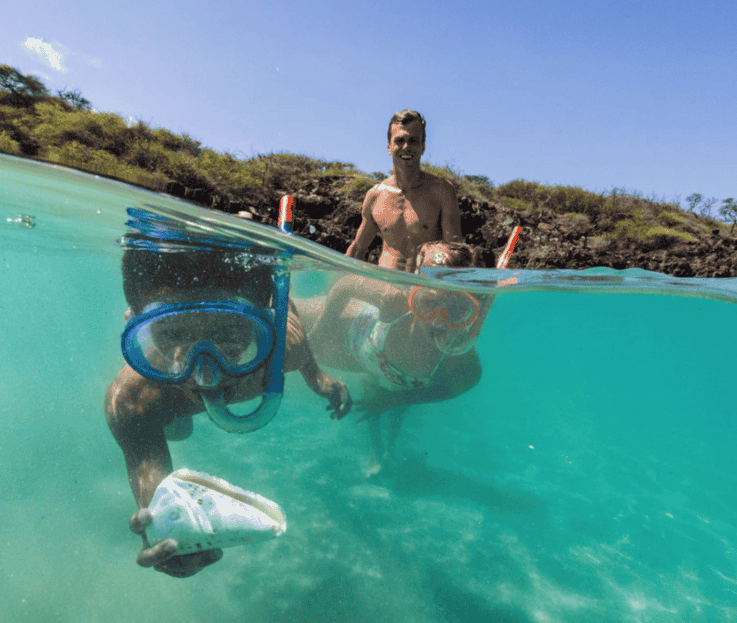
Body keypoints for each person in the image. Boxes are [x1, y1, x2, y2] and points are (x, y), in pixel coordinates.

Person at [105, 235, 351, 579]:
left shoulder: (285, 349)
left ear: (269, 319)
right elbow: (157, 499)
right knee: (175, 427)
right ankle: (177, 421)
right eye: (172, 333)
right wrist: (164, 530)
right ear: (134, 322)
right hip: (170, 408)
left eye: (231, 331)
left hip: (181, 391)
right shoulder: (134, 400)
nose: (206, 374)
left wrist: (317, 377)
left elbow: (289, 315)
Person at [297, 241, 491, 471]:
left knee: (390, 400)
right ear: (414, 294)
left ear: (470, 312)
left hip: (392, 373)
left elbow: (465, 382)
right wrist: (320, 333)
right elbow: (345, 284)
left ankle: (382, 454)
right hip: (359, 336)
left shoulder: (458, 352)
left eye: (457, 310)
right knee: (283, 317)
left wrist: (396, 400)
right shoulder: (395, 300)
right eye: (428, 303)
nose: (439, 319)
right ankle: (379, 448)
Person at [346, 111, 463, 273]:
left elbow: (456, 254)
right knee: (339, 290)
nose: (406, 147)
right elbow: (358, 249)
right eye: (399, 140)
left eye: (413, 141)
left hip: (423, 289)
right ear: (389, 147)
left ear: (422, 147)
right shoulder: (375, 196)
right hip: (385, 287)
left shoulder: (442, 191)